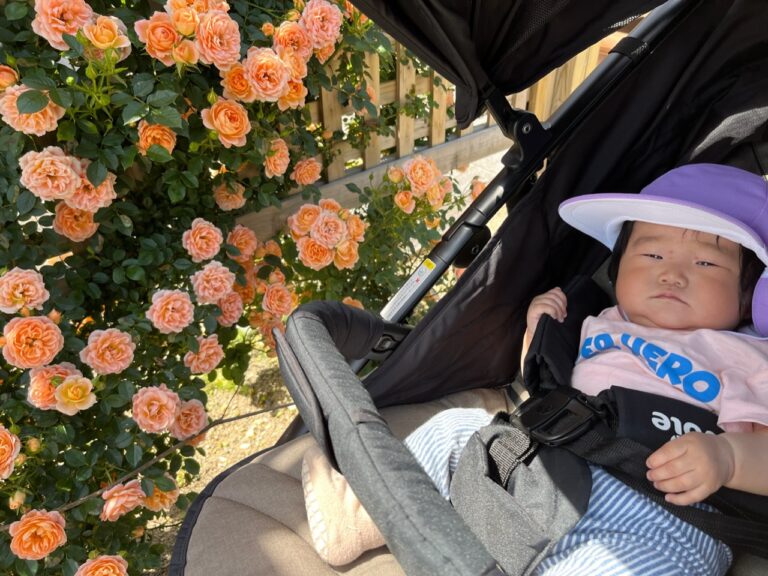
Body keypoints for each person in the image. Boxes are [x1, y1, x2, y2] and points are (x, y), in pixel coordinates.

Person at [301, 163, 768, 573]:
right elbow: (543, 384)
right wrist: (537, 330)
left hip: (663, 513)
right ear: (620, 263)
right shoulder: (601, 320)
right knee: (454, 431)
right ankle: (358, 511)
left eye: (706, 262)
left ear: (751, 294)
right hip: (550, 464)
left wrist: (728, 459)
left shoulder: (745, 355)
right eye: (651, 254)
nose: (672, 273)